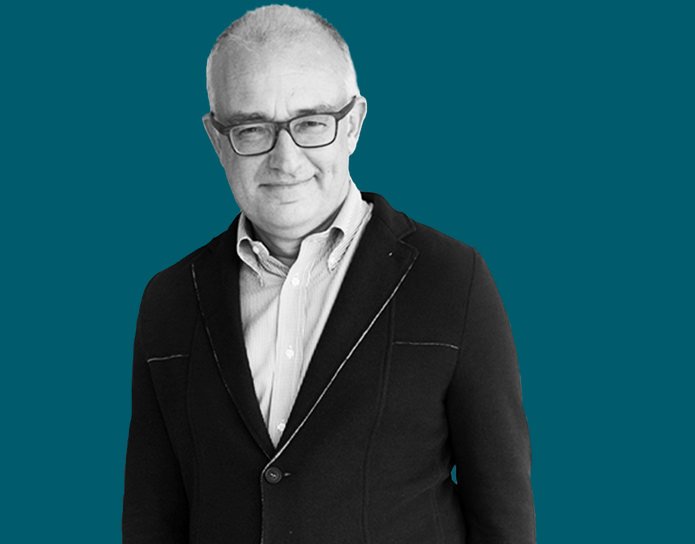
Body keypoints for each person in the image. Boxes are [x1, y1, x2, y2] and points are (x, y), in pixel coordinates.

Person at [122, 5, 535, 543]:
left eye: (311, 123)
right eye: (252, 129)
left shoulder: (452, 280)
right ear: (218, 140)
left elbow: (503, 515)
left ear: (354, 124)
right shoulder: (170, 299)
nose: (286, 160)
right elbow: (151, 516)